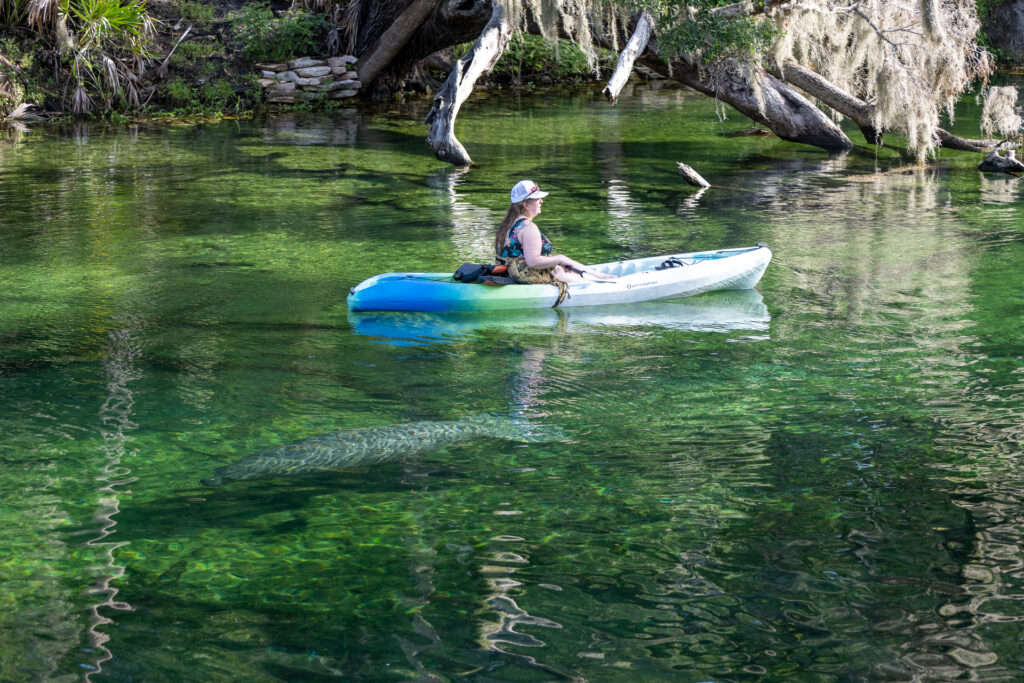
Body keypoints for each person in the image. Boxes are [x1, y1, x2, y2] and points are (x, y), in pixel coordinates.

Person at [494, 180, 615, 305]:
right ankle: (606, 280)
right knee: (585, 279)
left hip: (513, 274)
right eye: (537, 199)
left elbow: (517, 256)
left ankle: (601, 276)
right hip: (533, 276)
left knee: (566, 265)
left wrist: (554, 262)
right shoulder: (528, 227)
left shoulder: (507, 225)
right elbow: (533, 261)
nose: (541, 201)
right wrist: (558, 259)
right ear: (525, 204)